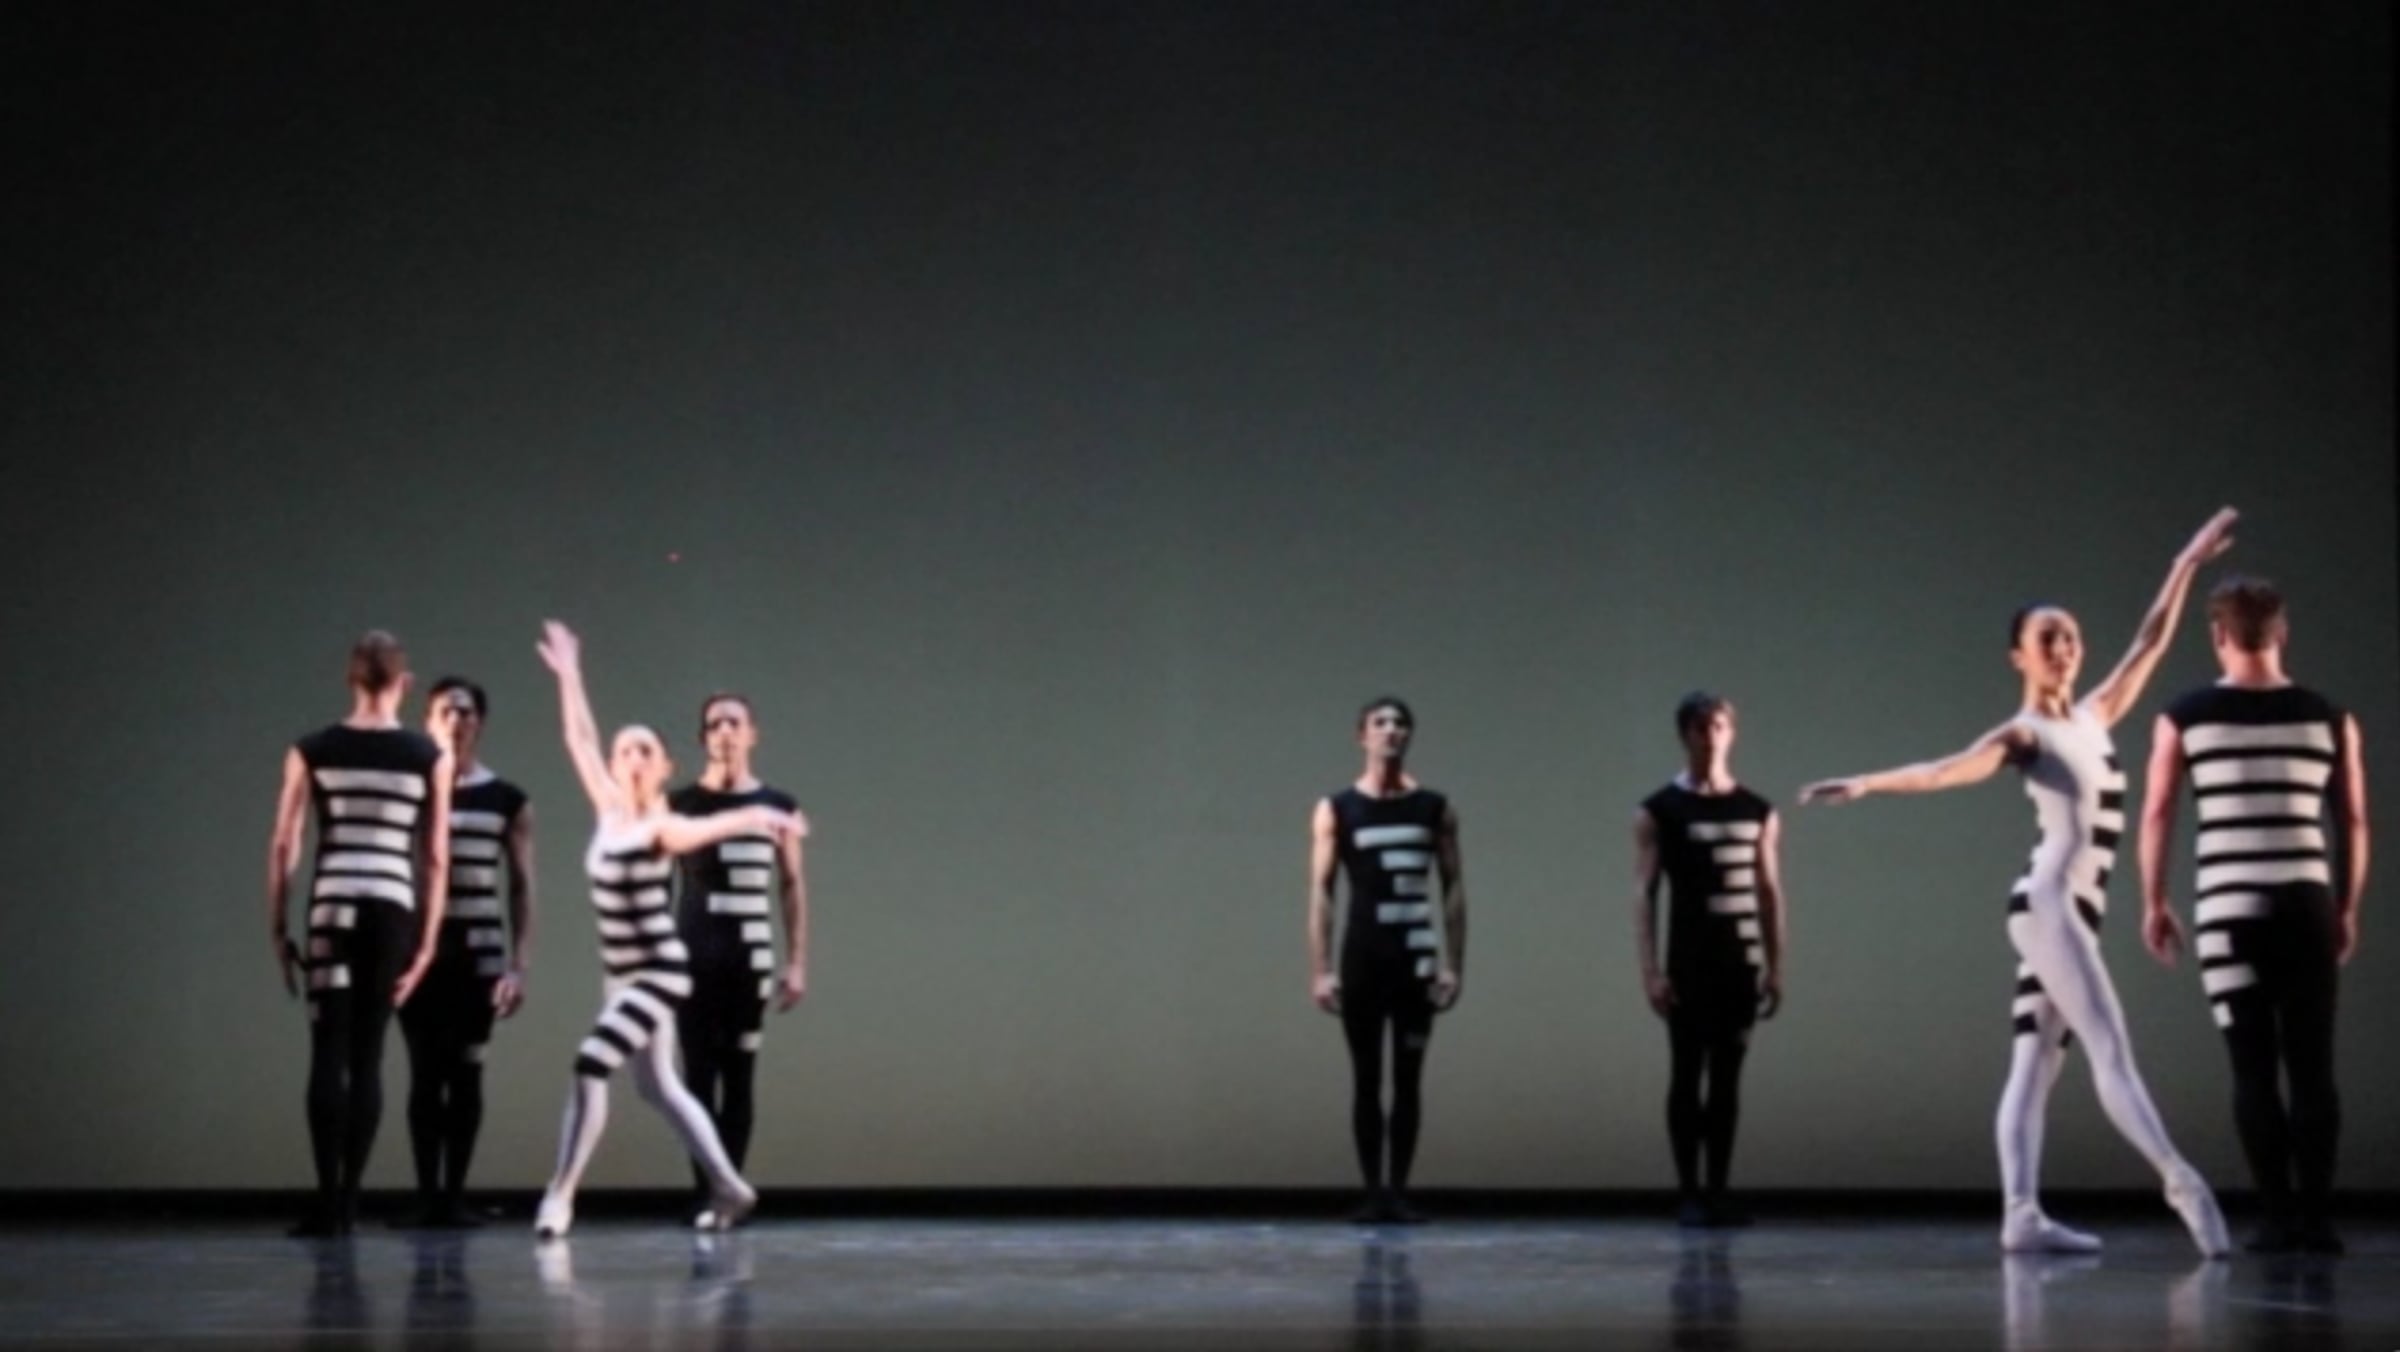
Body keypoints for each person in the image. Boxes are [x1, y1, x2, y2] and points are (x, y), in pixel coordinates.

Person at [1798, 508, 2239, 1257]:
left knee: (2035, 1064)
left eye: (2070, 637)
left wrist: (2186, 563)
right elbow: (1946, 769)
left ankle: (2021, 1214)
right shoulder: (2026, 735)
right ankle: (2179, 1180)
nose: (2064, 649)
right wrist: (1869, 783)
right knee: (2108, 1045)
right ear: (2019, 658)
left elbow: (2149, 641)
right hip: (2047, 904)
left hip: (2071, 911)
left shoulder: (2094, 716)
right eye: (2048, 640)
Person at [529, 621, 802, 1238]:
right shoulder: (609, 811)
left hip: (660, 971)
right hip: (621, 976)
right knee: (661, 1089)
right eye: (624, 750)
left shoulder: (663, 823)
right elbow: (579, 738)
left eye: (645, 751)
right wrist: (570, 675)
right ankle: (729, 1185)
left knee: (590, 1062)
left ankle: (559, 1195)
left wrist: (755, 814)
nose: (631, 758)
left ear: (664, 767)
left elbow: (701, 831)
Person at [2140, 575, 2368, 1254]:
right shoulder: (2329, 716)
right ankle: (2317, 1220)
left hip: (2229, 911)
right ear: (2282, 633)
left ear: (2217, 634)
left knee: (2252, 1066)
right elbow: (2353, 820)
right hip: (2306, 906)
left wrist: (2154, 900)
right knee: (2313, 1065)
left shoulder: (2185, 716)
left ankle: (2275, 1218)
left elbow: (2158, 811)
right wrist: (2347, 906)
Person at [265, 630, 453, 1236]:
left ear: (350, 678)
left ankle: (329, 1202)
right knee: (369, 1053)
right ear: (405, 683)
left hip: (333, 906)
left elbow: (286, 843)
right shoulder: (429, 755)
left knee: (329, 1050)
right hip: (391, 909)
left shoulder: (313, 748)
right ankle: (348, 1201)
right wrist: (427, 942)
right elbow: (435, 856)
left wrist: (278, 925)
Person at [1307, 697, 1466, 1224]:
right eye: (1381, 723)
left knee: (1409, 1079)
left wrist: (1452, 963)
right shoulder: (1337, 808)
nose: (1392, 731)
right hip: (1363, 960)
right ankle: (1373, 1191)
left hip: (1415, 961)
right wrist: (1321, 969)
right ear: (1362, 736)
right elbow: (1321, 891)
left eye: (1400, 724)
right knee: (1366, 1078)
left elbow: (1453, 888)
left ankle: (1398, 1190)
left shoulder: (1434, 808)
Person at [1634, 692, 1785, 1227]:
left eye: (1719, 726)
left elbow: (1769, 892)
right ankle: (1689, 1192)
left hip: (1739, 962)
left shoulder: (1758, 810)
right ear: (1685, 735)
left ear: (1731, 732)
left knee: (1726, 1081)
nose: (1710, 736)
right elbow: (1644, 893)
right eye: (1700, 727)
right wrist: (1651, 971)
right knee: (1686, 1074)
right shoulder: (1660, 810)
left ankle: (1718, 1190)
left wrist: (1776, 966)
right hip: (1689, 964)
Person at [394, 676, 535, 1228]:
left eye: (466, 712)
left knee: (466, 1072)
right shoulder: (410, 793)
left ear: (480, 722)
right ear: (429, 722)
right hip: (418, 956)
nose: (455, 721)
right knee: (425, 1074)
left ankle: (453, 1196)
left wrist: (518, 965)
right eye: (445, 712)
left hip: (479, 953)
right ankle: (426, 1195)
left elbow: (521, 886)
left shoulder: (507, 799)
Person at [671, 693, 809, 1227]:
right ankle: (705, 1190)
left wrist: (797, 962)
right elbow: (658, 887)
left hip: (748, 957)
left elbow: (792, 886)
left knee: (739, 1074)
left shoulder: (778, 805)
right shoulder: (680, 804)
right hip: (692, 954)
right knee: (697, 1079)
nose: (725, 731)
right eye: (715, 724)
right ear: (703, 737)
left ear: (752, 733)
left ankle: (730, 1192)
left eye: (734, 722)